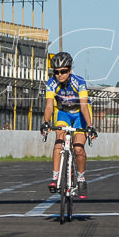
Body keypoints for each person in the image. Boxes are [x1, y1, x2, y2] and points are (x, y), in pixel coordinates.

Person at [42, 51, 97, 198]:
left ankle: (81, 179)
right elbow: (49, 105)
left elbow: (84, 106)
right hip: (63, 112)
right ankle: (55, 178)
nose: (60, 75)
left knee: (78, 148)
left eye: (63, 71)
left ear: (70, 70)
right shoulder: (51, 83)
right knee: (59, 142)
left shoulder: (79, 82)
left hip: (80, 113)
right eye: (57, 72)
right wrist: (45, 123)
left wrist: (90, 126)